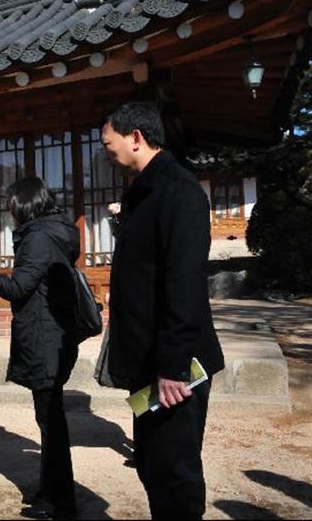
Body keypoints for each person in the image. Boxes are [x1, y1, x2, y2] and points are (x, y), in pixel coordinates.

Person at [99, 101, 225, 519]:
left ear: (136, 138)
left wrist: (173, 364)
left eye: (108, 142)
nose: (105, 151)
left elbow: (185, 282)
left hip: (172, 366)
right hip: (144, 360)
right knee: (152, 464)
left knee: (175, 471)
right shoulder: (141, 191)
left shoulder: (178, 191)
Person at [0, 176, 81, 519]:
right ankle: (52, 490)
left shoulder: (38, 237)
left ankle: (59, 502)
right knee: (51, 421)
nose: (9, 212)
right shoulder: (59, 229)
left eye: (11, 206)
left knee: (50, 423)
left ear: (24, 205)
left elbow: (19, 288)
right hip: (56, 333)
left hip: (44, 338)